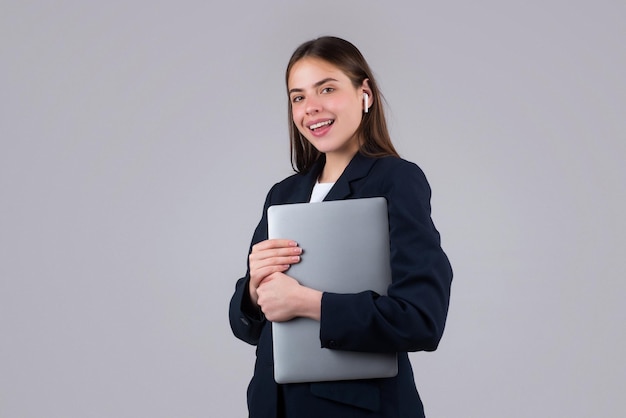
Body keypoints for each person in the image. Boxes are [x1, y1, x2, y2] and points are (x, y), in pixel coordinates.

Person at [229, 36, 453, 418]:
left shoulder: (396, 180)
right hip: (273, 407)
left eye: (327, 89)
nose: (311, 108)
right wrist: (253, 289)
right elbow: (246, 326)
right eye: (298, 97)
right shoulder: (284, 194)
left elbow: (421, 319)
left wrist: (308, 302)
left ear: (364, 93)